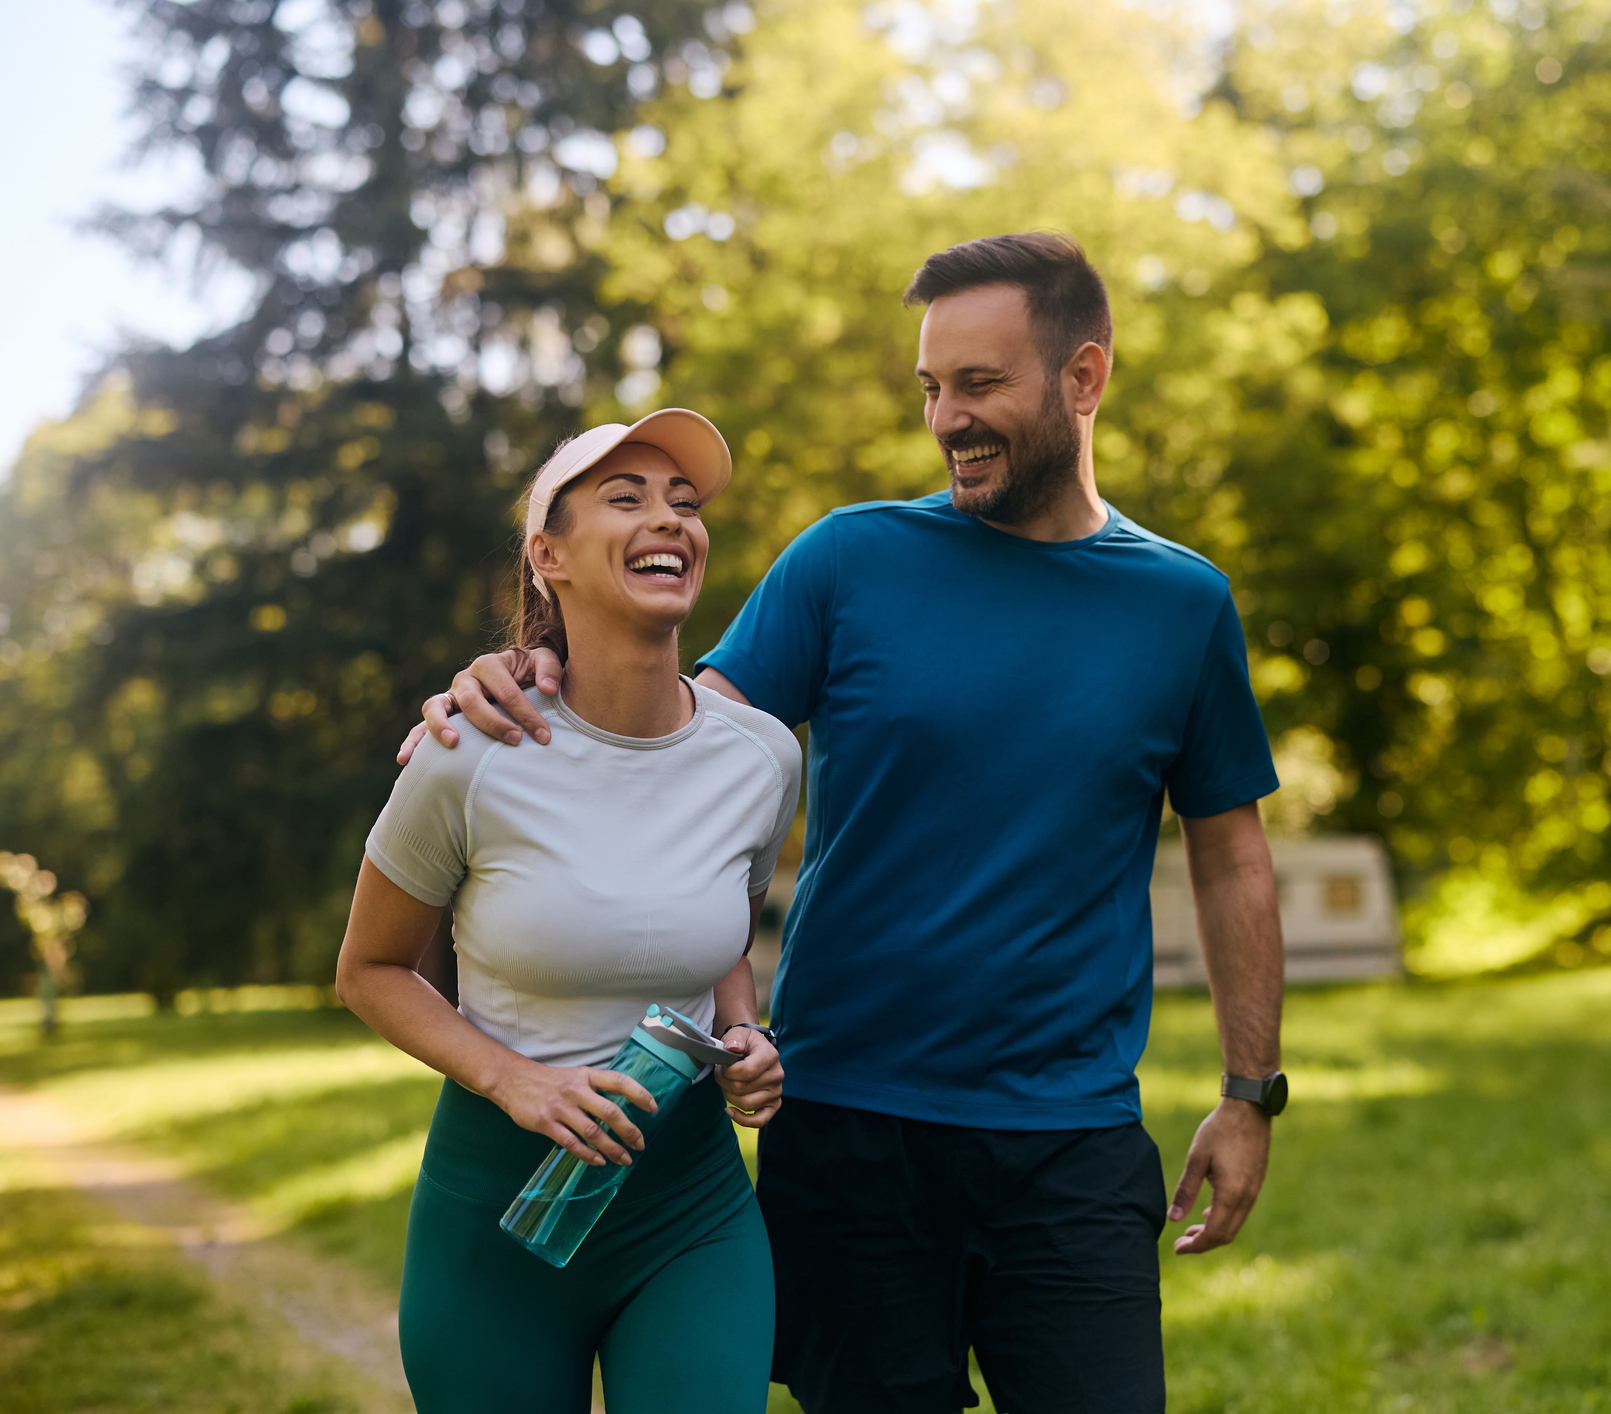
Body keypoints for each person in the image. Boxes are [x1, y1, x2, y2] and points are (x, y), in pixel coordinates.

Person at [402, 234, 1285, 1413]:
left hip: (1071, 1141)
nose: (948, 419)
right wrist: (526, 670)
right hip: (850, 1135)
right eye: (932, 387)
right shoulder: (849, 560)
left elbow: (1231, 858)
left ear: (1084, 378)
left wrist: (1249, 1090)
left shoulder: (1183, 603)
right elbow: (664, 749)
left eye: (980, 384)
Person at [338, 409, 802, 1414]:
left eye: (684, 502)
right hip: (497, 1213)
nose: (668, 518)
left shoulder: (762, 756)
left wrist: (744, 1034)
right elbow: (369, 971)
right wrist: (517, 1082)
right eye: (626, 498)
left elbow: (721, 933)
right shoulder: (468, 754)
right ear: (549, 556)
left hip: (689, 1209)